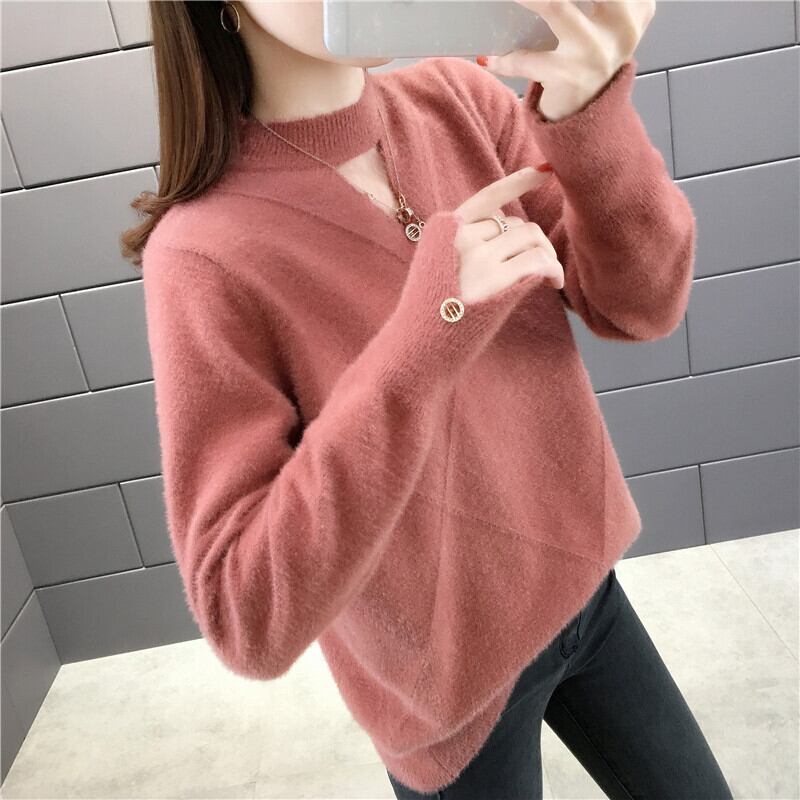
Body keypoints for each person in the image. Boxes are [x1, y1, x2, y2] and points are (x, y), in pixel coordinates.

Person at [122, 2, 734, 797]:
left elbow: (641, 306)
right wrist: (430, 330)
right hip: (446, 701)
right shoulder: (203, 254)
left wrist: (589, 113)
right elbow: (248, 618)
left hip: (587, 595)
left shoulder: (460, 102)